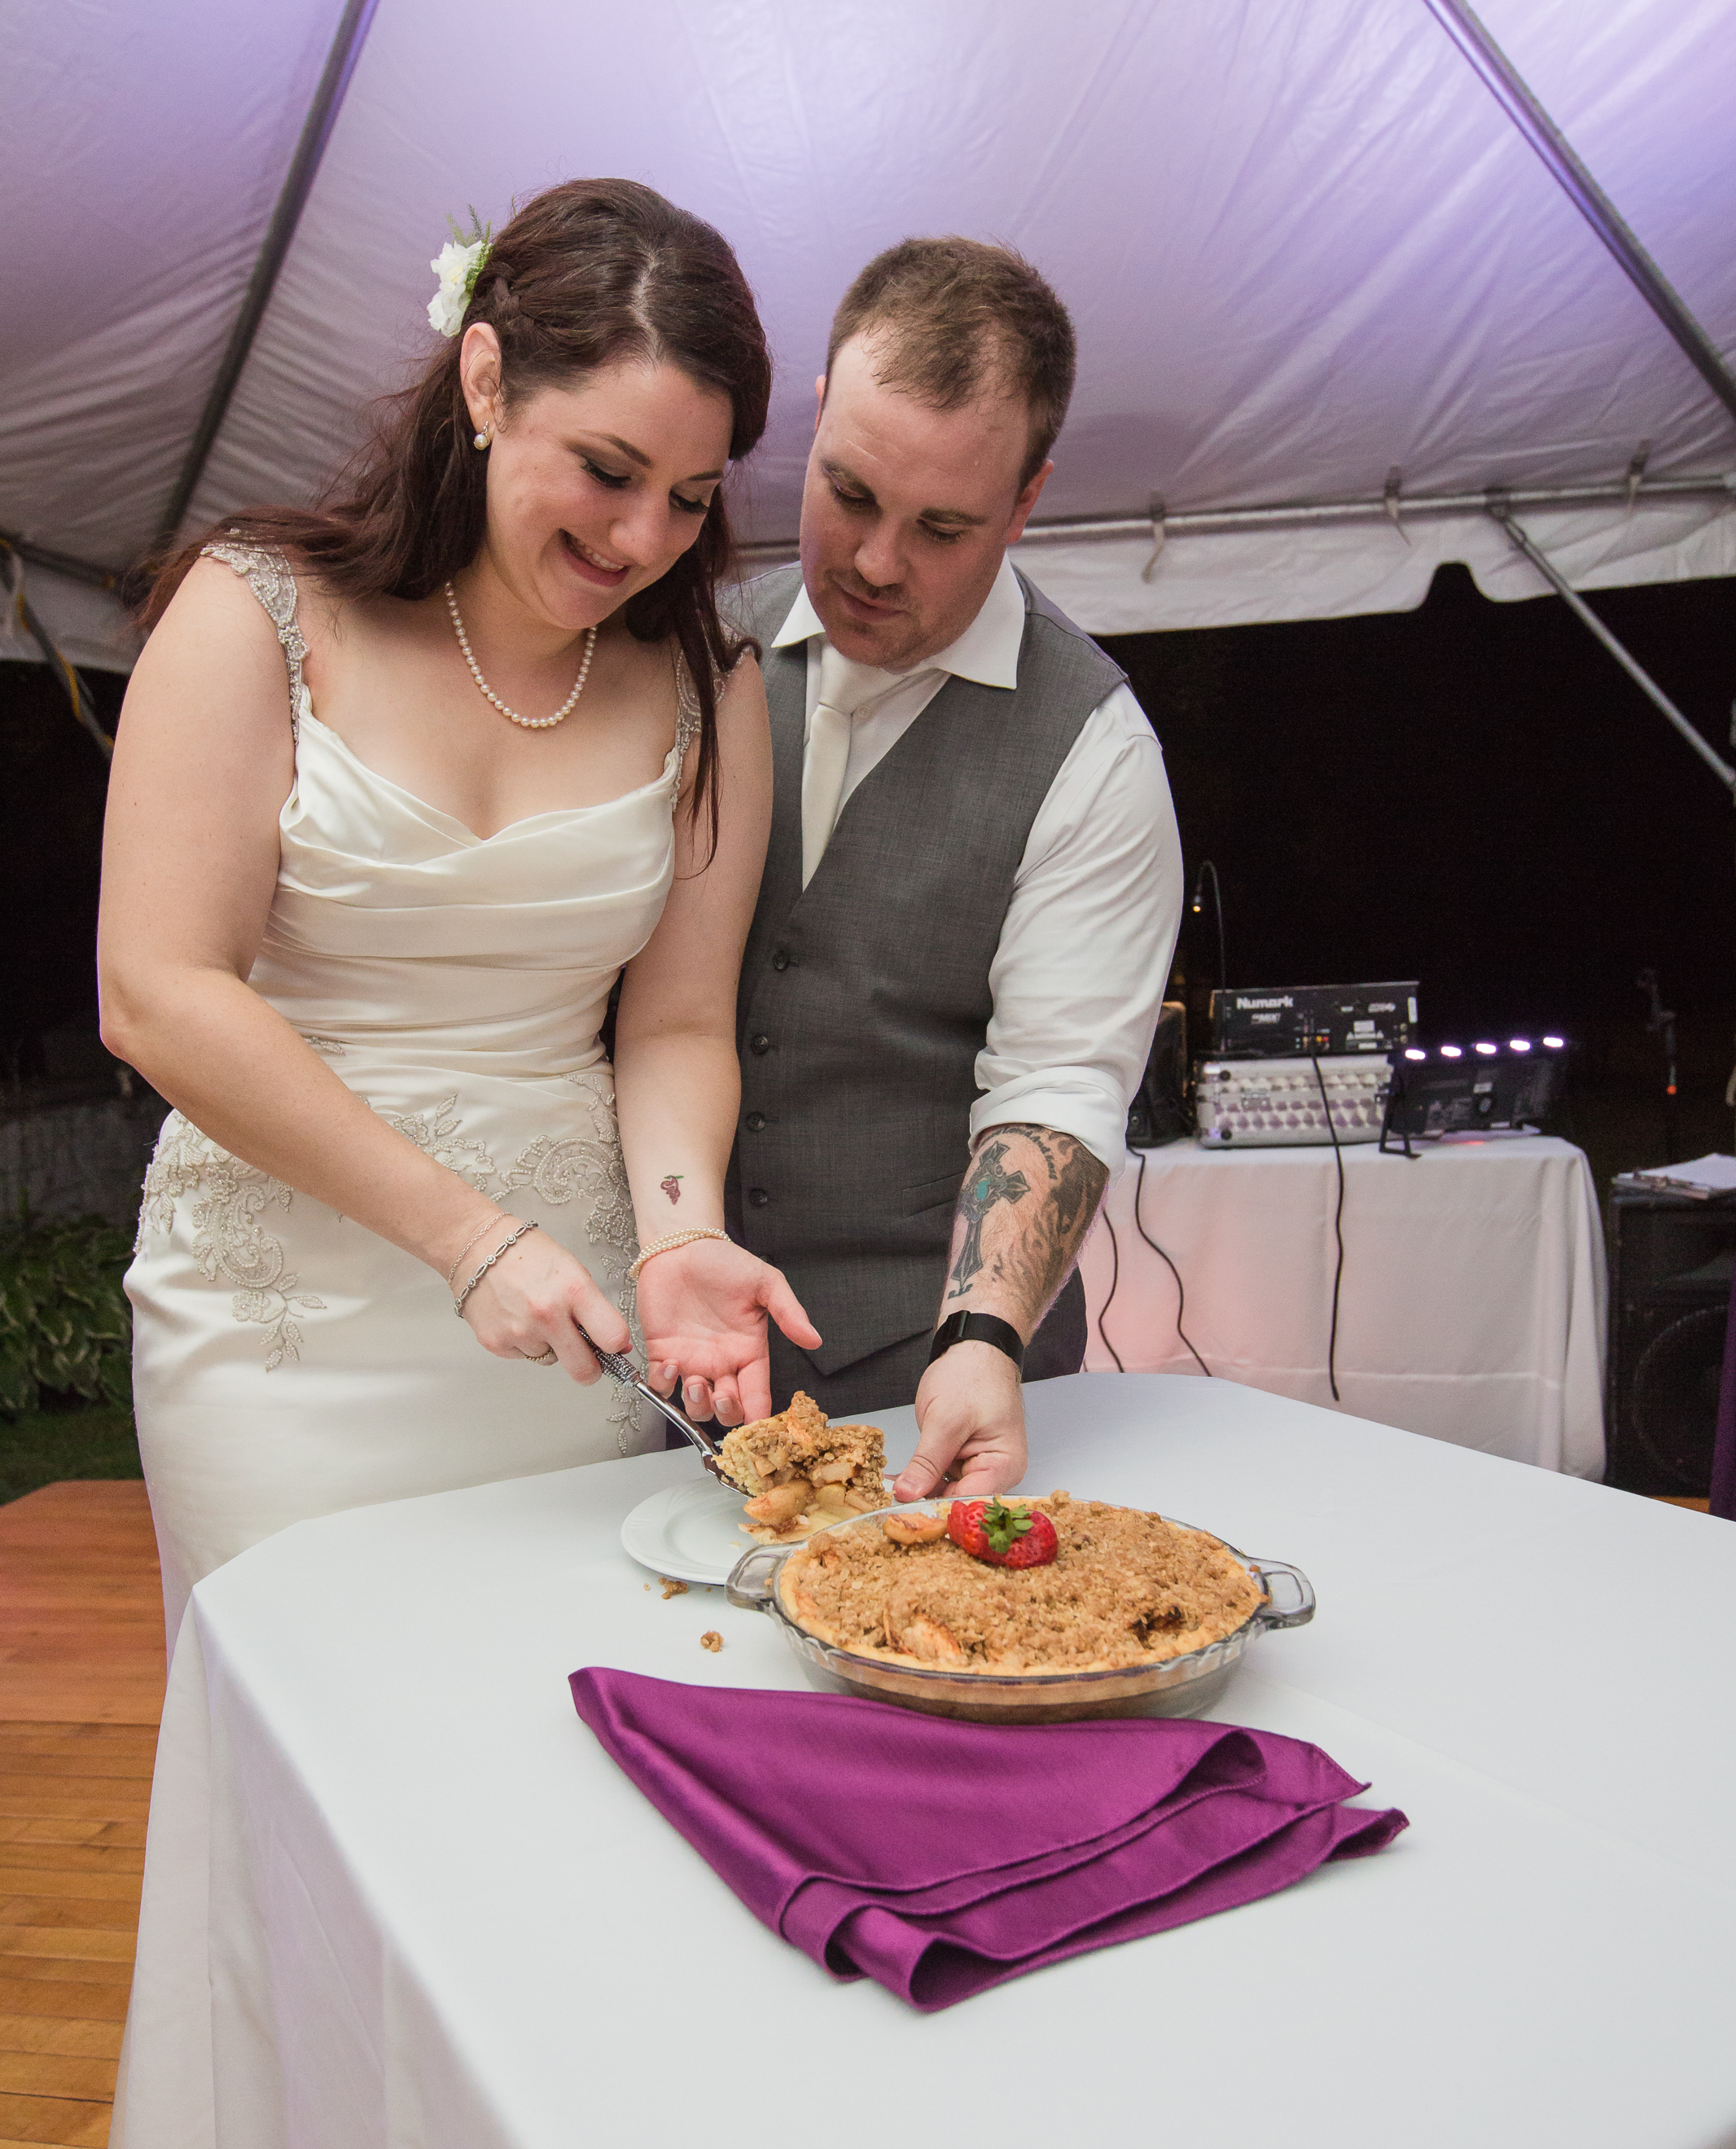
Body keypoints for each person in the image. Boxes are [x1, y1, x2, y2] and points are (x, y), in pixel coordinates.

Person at [101, 178, 817, 1650]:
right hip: (279, 1339)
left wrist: (678, 1241)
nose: (643, 537)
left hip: (568, 1339)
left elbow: (676, 1023)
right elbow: (159, 989)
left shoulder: (710, 684)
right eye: (607, 469)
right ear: (487, 380)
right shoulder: (254, 611)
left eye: (688, 496)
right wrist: (467, 1240)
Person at [726, 238, 1182, 1500]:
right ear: (817, 417)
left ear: (1026, 500)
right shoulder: (693, 648)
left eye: (940, 527)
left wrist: (978, 1336)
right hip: (663, 1364)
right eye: (848, 493)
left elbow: (1055, 1078)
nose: (875, 560)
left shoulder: (1092, 749)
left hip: (933, 1393)